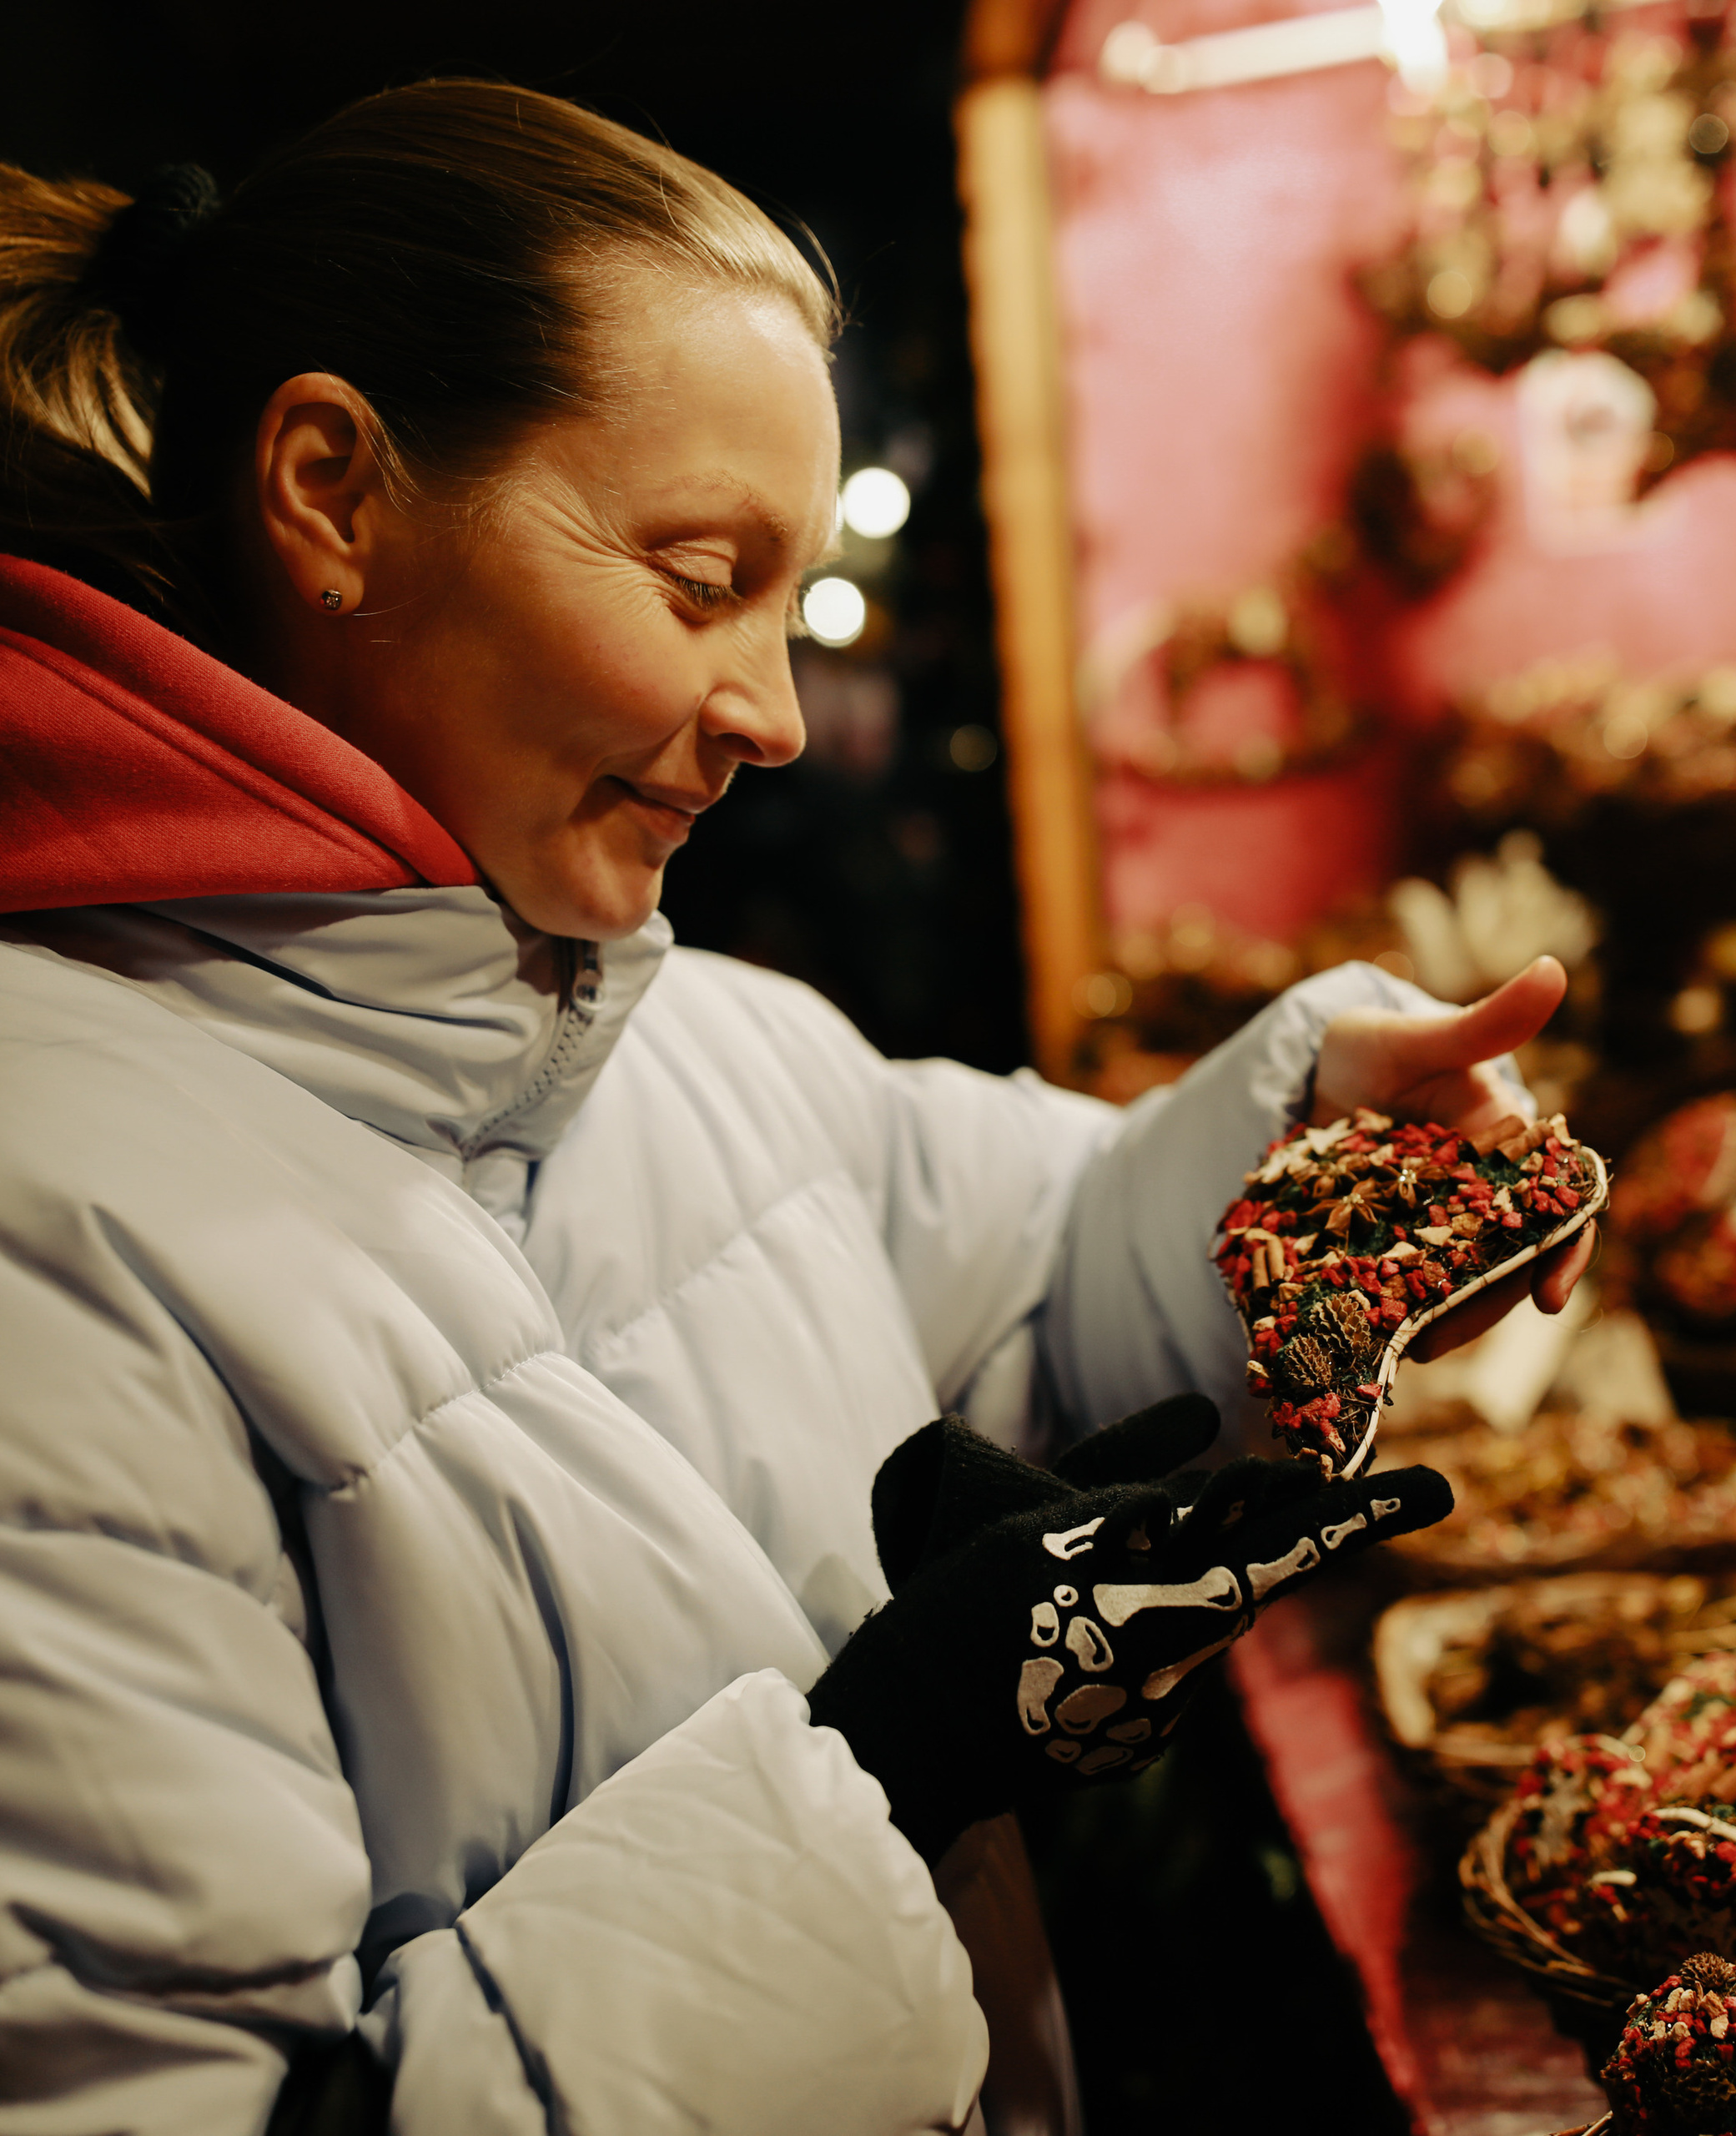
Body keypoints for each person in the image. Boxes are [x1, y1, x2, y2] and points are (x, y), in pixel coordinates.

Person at [0, 82, 1593, 2135]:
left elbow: (1038, 1267)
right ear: (333, 493)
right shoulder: (53, 1219)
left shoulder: (669, 1026)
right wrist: (880, 1774)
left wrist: (1314, 1176)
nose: (766, 711)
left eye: (788, 597)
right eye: (694, 577)